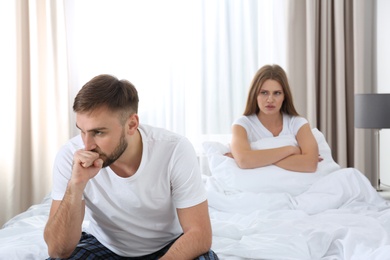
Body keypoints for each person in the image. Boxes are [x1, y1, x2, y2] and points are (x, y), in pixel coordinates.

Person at [44, 74, 218, 260]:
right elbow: (57, 251)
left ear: (132, 124)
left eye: (99, 132)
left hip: (168, 247)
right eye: (82, 131)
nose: (87, 145)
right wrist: (75, 185)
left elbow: (199, 234)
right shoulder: (70, 156)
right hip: (103, 246)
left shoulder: (174, 150)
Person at [227, 64, 320, 172]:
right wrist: (291, 150)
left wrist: (256, 158)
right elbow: (244, 161)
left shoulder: (298, 123)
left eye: (277, 93)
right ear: (255, 95)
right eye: (264, 93)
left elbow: (310, 164)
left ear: (284, 96)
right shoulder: (242, 124)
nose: (270, 99)